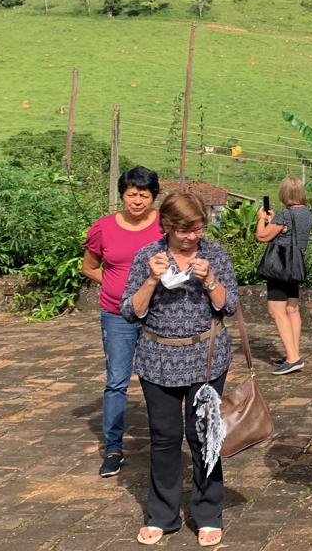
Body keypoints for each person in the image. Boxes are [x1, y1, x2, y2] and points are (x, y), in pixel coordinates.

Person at [120, 192, 239, 547]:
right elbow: (130, 310)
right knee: (165, 438)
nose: (192, 237)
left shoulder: (214, 254)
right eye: (185, 230)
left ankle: (207, 513)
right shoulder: (148, 256)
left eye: (198, 229)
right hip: (158, 358)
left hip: (206, 357)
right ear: (168, 226)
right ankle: (162, 514)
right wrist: (152, 280)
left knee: (205, 437)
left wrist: (211, 281)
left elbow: (229, 305)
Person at [82, 166, 164, 478]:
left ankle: (163, 441)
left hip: (159, 314)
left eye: (144, 195)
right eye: (132, 194)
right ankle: (113, 446)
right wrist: (119, 285)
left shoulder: (164, 226)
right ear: (122, 195)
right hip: (116, 314)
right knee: (117, 380)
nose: (138, 201)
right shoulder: (103, 228)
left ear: (153, 197)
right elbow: (90, 267)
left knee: (160, 378)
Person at [254, 176, 312, 375]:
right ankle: (294, 353)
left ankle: (292, 358)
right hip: (296, 265)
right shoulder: (307, 213)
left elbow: (262, 236)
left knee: (276, 311)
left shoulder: (285, 214)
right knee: (292, 310)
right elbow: (288, 234)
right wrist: (275, 221)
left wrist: (261, 219)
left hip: (280, 267)